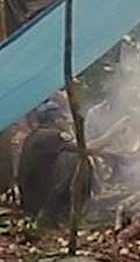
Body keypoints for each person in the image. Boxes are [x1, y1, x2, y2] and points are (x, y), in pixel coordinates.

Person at [15, 95, 90, 226]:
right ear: (55, 120)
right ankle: (54, 214)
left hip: (30, 199)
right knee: (74, 159)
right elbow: (86, 149)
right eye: (63, 117)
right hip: (40, 201)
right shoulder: (52, 136)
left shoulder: (36, 135)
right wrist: (113, 134)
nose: (67, 120)